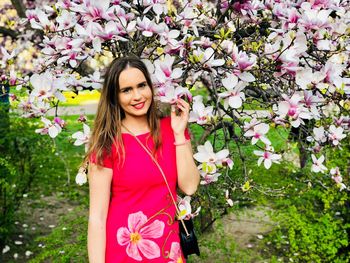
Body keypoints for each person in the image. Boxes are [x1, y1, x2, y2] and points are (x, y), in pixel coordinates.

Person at [86, 56, 200, 262]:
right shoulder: (107, 144)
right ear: (115, 96)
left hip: (169, 251)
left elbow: (190, 187)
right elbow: (97, 218)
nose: (137, 96)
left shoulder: (170, 128)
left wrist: (179, 134)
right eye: (126, 90)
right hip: (125, 251)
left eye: (142, 85)